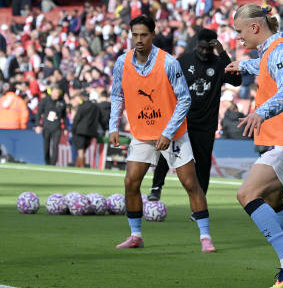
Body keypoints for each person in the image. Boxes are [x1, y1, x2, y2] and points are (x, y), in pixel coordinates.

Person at [226, 4, 283, 288]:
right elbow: (265, 67)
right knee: (274, 200)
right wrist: (243, 65)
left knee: (247, 194)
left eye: (240, 31)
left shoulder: (280, 52)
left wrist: (260, 112)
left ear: (255, 27)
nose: (238, 37)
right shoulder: (271, 52)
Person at [108, 15, 215, 253]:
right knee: (130, 182)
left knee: (190, 183)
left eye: (143, 35)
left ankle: (205, 236)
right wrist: (113, 125)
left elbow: (184, 99)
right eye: (135, 35)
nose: (139, 39)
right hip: (142, 132)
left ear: (153, 35)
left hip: (172, 133)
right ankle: (136, 235)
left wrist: (168, 132)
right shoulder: (122, 62)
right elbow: (117, 95)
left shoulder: (168, 62)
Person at [148, 28, 241, 200]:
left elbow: (236, 81)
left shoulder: (219, 63)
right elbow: (167, 84)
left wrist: (222, 53)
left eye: (208, 49)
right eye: (202, 47)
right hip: (182, 119)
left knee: (203, 163)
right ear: (197, 44)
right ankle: (156, 188)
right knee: (167, 152)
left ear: (214, 46)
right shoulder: (184, 60)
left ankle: (200, 199)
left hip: (206, 124)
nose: (204, 52)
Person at [71, 90, 106, 168]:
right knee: (83, 149)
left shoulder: (82, 106)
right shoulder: (96, 107)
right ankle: (78, 165)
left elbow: (77, 119)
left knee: (80, 149)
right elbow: (100, 119)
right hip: (91, 131)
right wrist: (105, 128)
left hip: (80, 131)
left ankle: (81, 165)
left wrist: (73, 129)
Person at [37, 86, 68, 165]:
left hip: (57, 127)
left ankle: (53, 163)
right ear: (51, 92)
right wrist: (37, 125)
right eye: (55, 92)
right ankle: (47, 161)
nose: (57, 94)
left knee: (55, 145)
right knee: (46, 145)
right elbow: (39, 113)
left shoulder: (62, 101)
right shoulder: (45, 100)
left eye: (58, 92)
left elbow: (64, 116)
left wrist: (65, 128)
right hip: (47, 126)